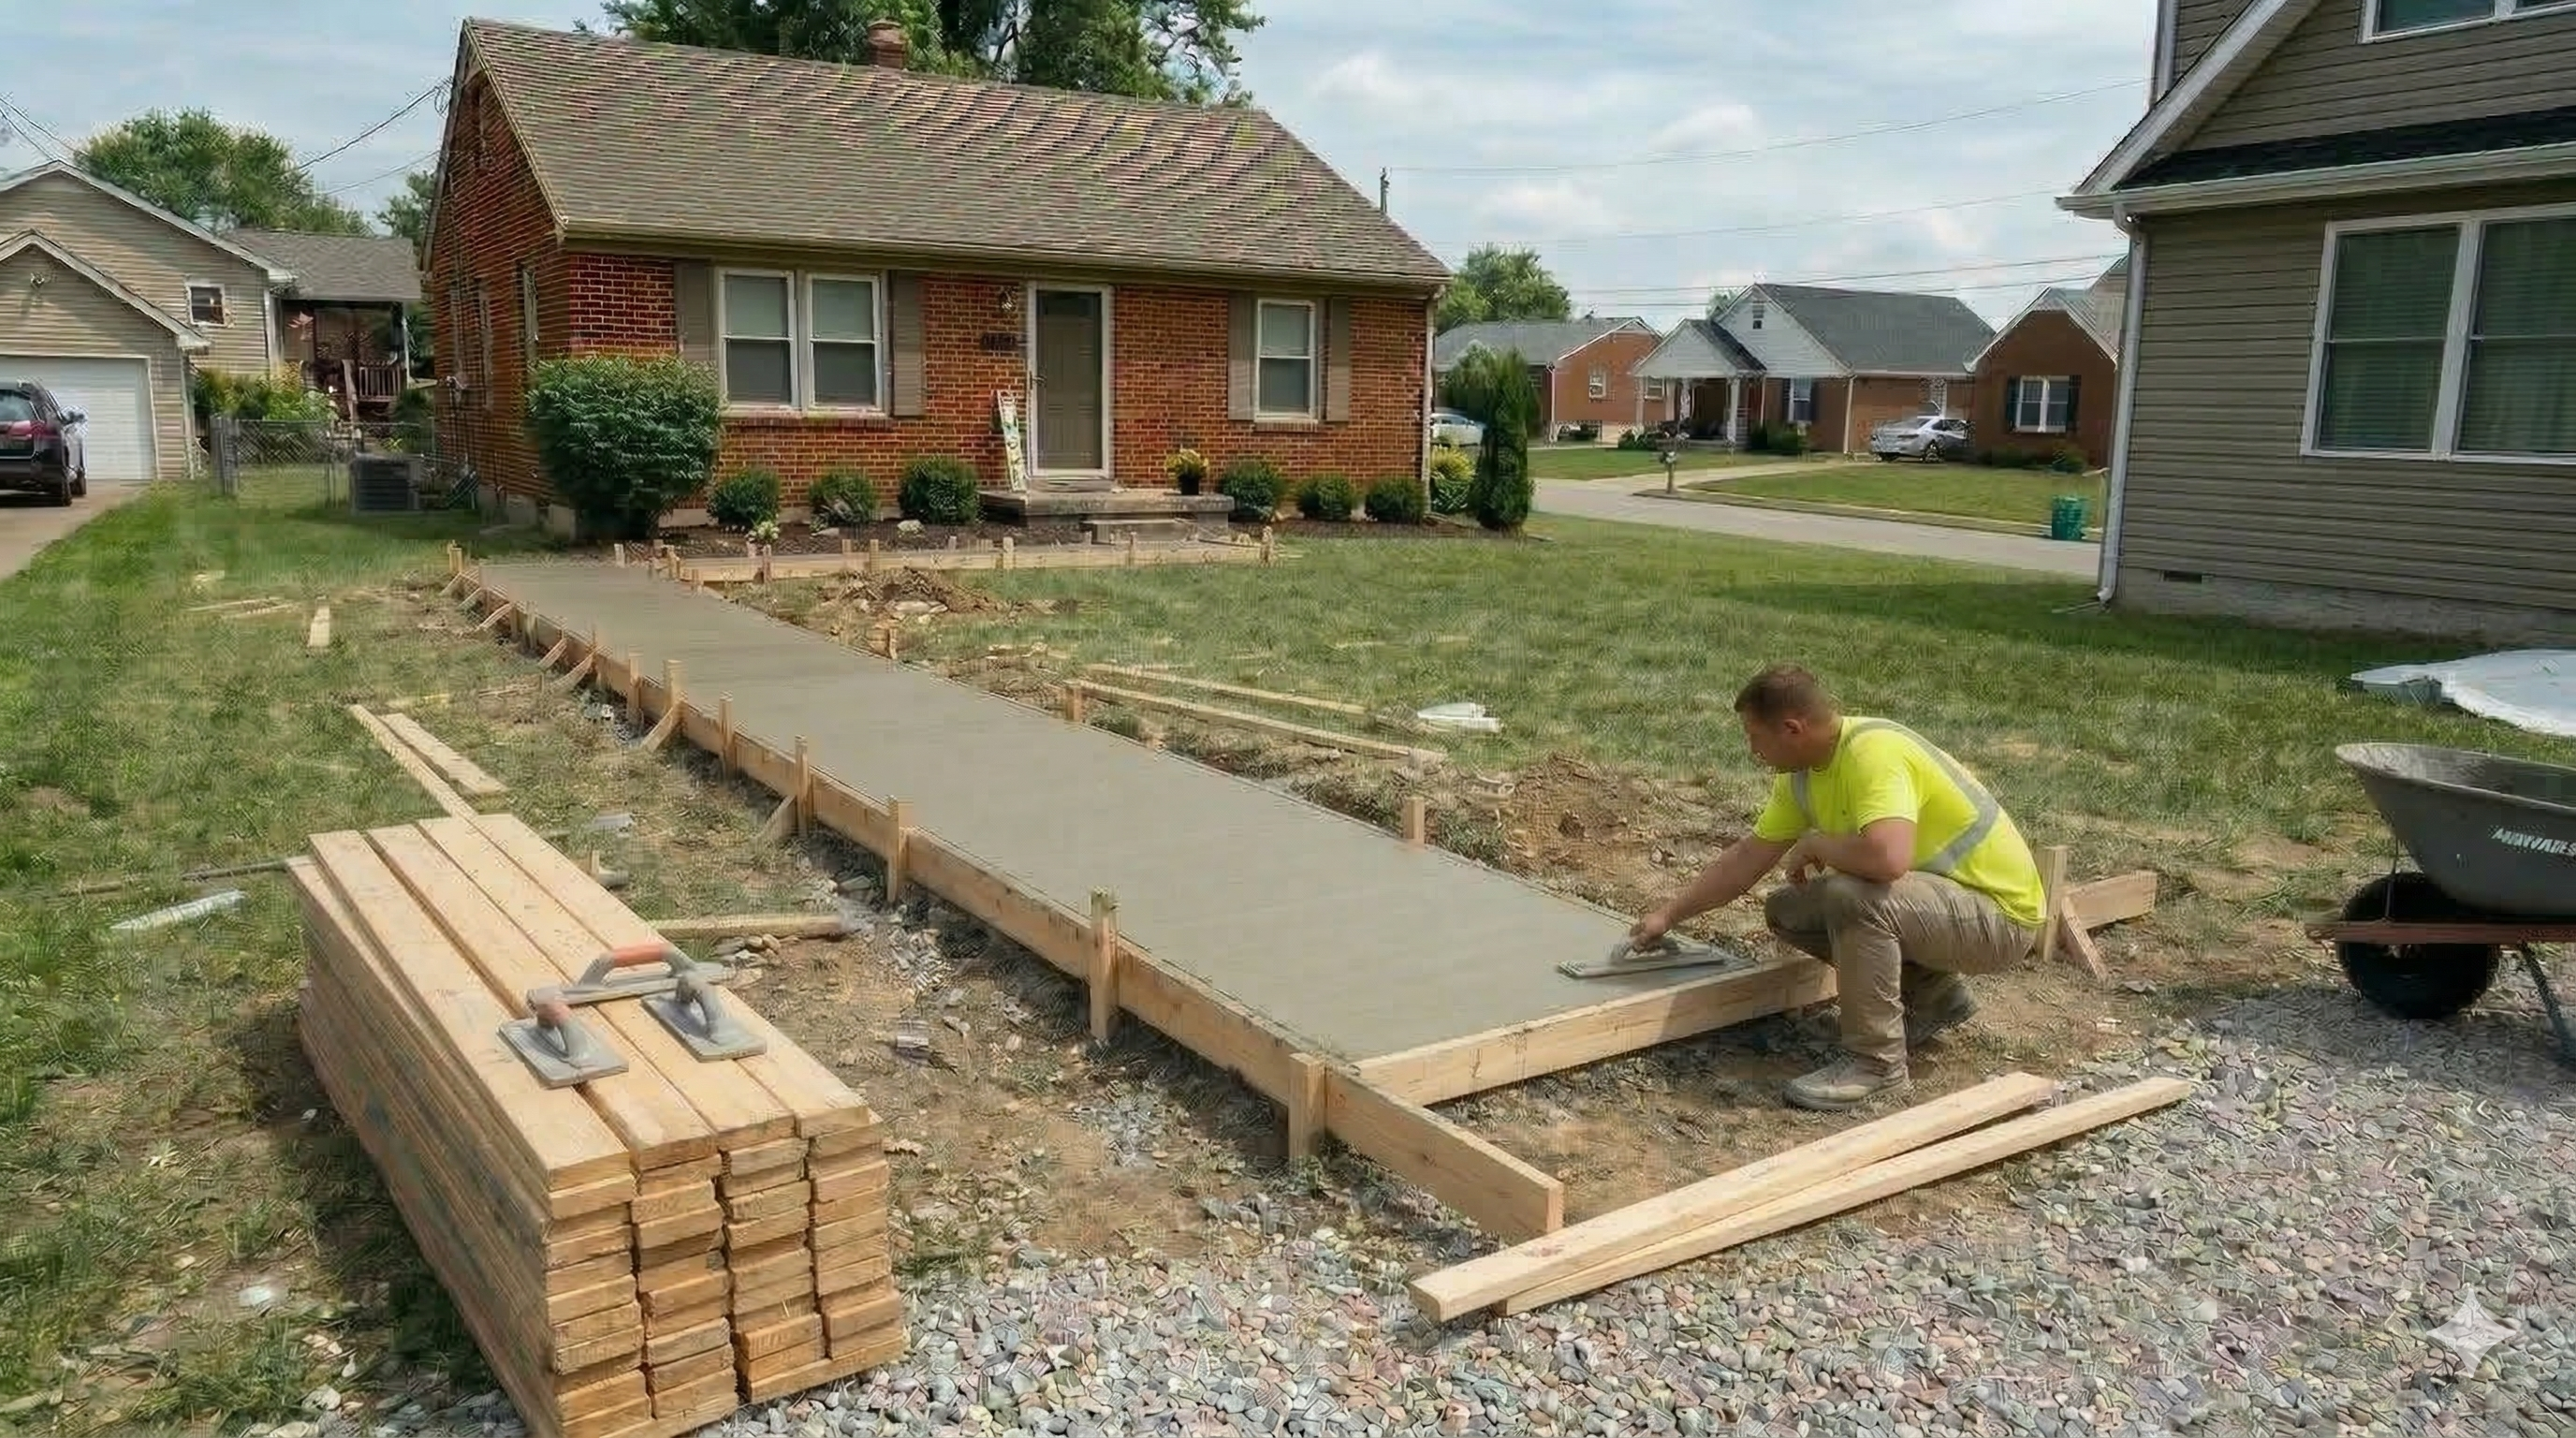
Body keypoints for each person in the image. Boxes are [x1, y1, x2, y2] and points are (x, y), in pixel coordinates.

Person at [1631, 664, 2047, 1111]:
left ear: (1791, 728)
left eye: (1755, 738)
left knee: (1851, 897)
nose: (1752, 750)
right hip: (1940, 910)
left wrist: (1817, 844)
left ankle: (1877, 1066)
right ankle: (1934, 998)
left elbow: (1889, 860)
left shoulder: (1873, 754)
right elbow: (1747, 859)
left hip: (1999, 919)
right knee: (1789, 909)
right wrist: (1667, 916)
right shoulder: (1803, 777)